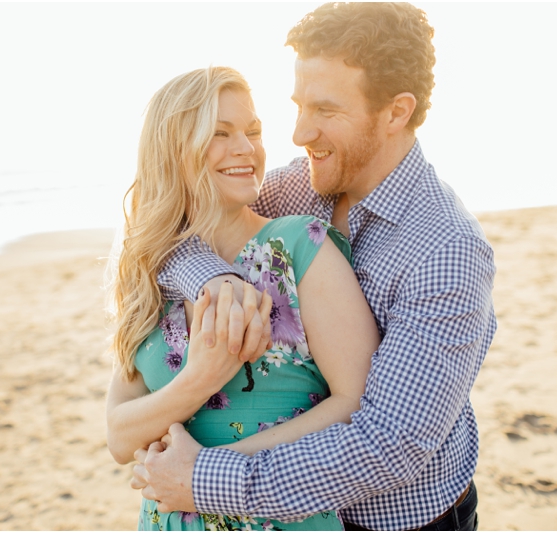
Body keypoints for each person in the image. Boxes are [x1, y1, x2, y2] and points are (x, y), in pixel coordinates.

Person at [132, 3, 497, 531]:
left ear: (396, 112)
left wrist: (202, 480)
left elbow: (389, 444)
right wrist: (212, 277)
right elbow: (182, 223)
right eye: (298, 105)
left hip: (397, 521)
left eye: (325, 110)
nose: (300, 133)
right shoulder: (299, 188)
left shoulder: (446, 252)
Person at [106, 67, 380, 530]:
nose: (246, 149)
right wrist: (197, 380)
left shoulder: (300, 247)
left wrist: (201, 473)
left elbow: (356, 402)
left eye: (252, 131)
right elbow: (118, 434)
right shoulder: (152, 270)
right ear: (174, 152)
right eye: (220, 133)